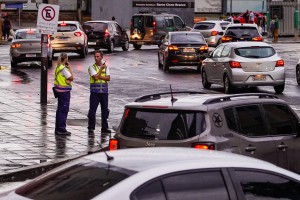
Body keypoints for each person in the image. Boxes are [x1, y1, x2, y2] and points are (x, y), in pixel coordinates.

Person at [87, 50, 111, 134]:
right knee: (92, 111)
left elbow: (108, 78)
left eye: (98, 56)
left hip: (104, 92)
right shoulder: (92, 67)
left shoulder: (106, 67)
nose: (96, 58)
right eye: (95, 56)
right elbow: (95, 78)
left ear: (101, 57)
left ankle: (104, 127)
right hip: (95, 92)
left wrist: (99, 76)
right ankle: (91, 127)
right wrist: (101, 69)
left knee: (105, 110)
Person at [53, 52, 74, 135]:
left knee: (59, 110)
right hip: (64, 92)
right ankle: (61, 129)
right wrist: (70, 68)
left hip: (59, 90)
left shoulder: (58, 67)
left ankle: (58, 128)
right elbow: (71, 78)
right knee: (63, 110)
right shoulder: (63, 69)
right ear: (65, 59)